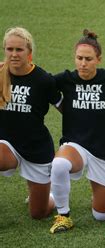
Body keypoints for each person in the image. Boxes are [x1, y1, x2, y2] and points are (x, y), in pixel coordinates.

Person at [49, 29, 105, 233]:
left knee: (102, 215)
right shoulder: (66, 79)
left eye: (88, 59)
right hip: (75, 145)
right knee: (58, 165)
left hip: (104, 151)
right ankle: (62, 214)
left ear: (98, 59)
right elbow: (38, 81)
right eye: (79, 58)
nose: (82, 63)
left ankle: (94, 192)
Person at [0, 27, 61, 219]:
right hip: (6, 143)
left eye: (19, 50)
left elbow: (65, 109)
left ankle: (50, 195)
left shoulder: (43, 80)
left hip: (36, 148)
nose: (14, 54)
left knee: (38, 213)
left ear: (30, 52)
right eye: (9, 49)